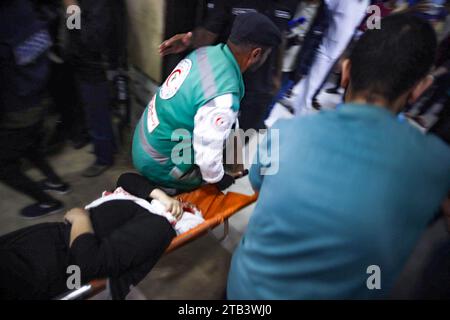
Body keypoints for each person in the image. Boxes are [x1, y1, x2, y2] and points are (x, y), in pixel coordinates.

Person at [227, 13, 450, 299]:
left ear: (345, 71)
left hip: (244, 291)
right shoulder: (436, 164)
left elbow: (258, 184)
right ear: (420, 89)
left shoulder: (286, 131)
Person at [132, 13, 282, 192]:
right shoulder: (223, 98)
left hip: (144, 140)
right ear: (256, 54)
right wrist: (219, 179)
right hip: (159, 163)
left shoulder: (204, 53)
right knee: (208, 187)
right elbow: (208, 162)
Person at [0, 172, 194, 300]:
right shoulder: (157, 221)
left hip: (64, 250)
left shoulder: (157, 221)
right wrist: (80, 219)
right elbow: (87, 265)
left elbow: (126, 179)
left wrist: (160, 196)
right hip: (67, 257)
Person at [159, 0, 298, 131]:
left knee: (242, 136)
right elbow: (210, 31)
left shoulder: (289, 3)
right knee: (208, 133)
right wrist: (188, 40)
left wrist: (277, 75)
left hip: (259, 88)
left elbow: (281, 37)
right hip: (224, 84)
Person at [0, 0, 70, 219]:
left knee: (6, 163)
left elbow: (81, 28)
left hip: (20, 101)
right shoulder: (25, 9)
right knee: (30, 145)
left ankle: (48, 201)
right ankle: (55, 182)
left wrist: (73, 17)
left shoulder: (7, 18)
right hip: (41, 89)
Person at [64, 0, 116, 177]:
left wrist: (72, 8)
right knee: (92, 112)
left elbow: (91, 41)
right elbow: (73, 30)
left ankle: (104, 158)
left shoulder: (99, 4)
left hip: (93, 67)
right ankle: (104, 148)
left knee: (97, 114)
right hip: (81, 62)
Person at [291, 0, 370, 115]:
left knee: (316, 80)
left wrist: (344, 53)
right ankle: (301, 109)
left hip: (339, 47)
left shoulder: (365, 3)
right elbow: (325, 8)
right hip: (325, 42)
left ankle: (299, 102)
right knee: (313, 78)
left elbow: (353, 27)